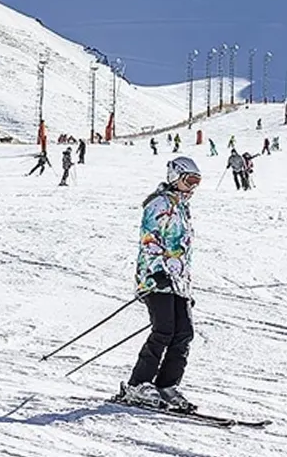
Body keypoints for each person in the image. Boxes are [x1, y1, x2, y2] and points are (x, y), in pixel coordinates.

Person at [117, 156, 201, 412]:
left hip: (178, 282)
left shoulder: (183, 207)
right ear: (175, 177)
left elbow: (182, 249)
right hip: (156, 278)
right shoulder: (159, 203)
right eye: (189, 180)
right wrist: (157, 272)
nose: (193, 186)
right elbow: (149, 239)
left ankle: (166, 385)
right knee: (164, 330)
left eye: (197, 182)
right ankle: (137, 383)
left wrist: (186, 285)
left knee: (184, 333)